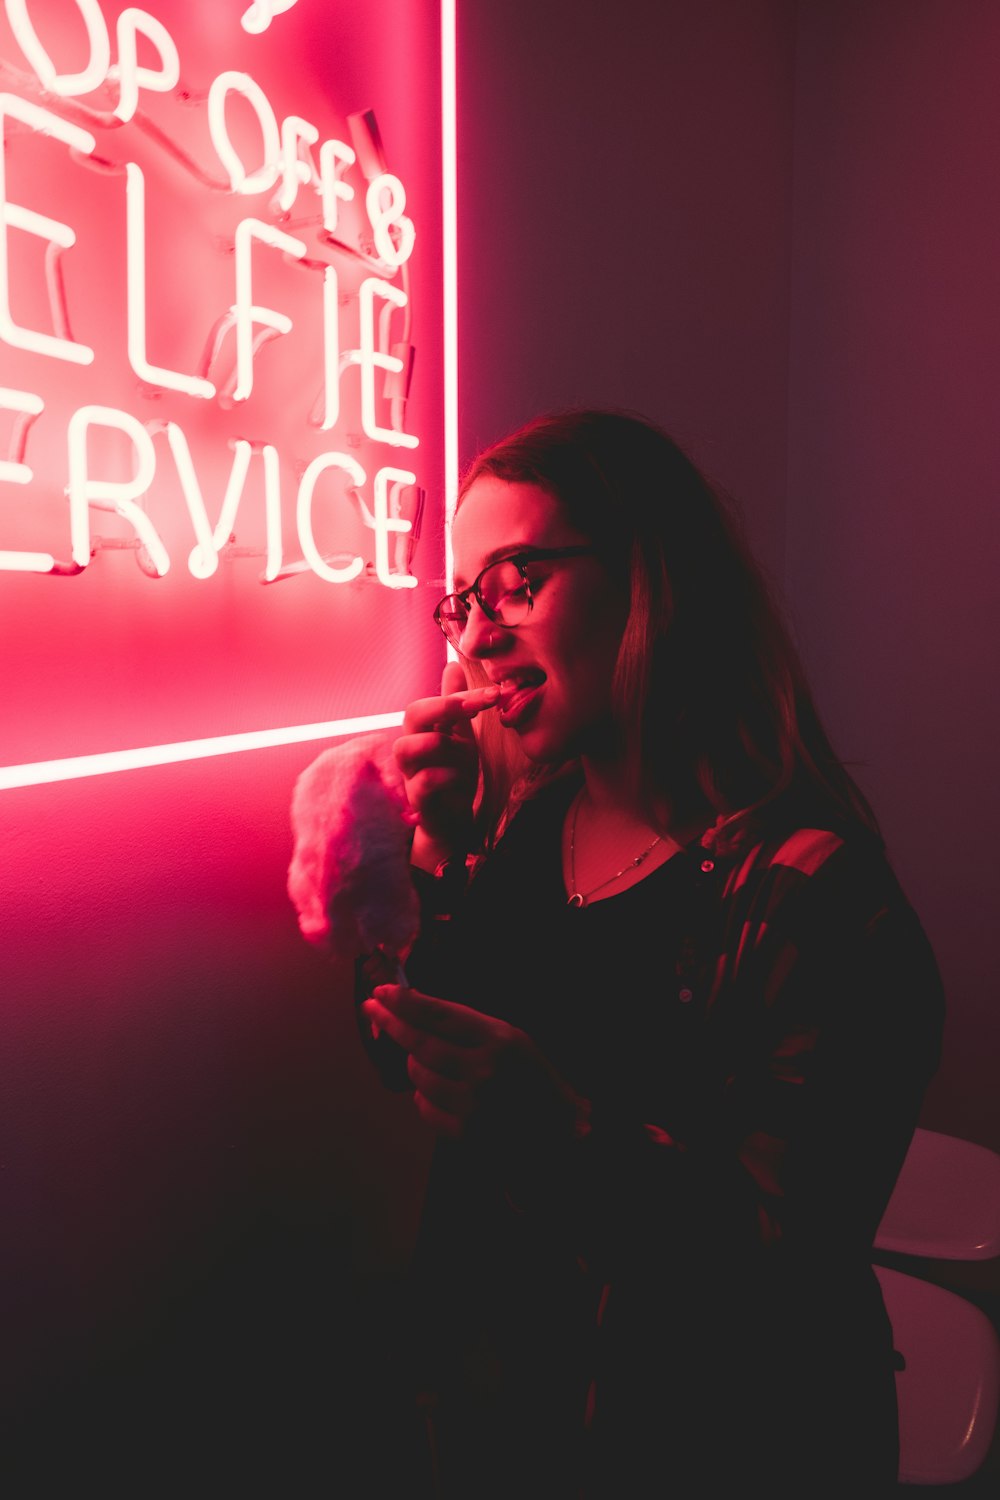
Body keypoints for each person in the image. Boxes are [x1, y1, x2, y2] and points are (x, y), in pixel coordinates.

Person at [356, 407, 945, 1499]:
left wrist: (557, 1132)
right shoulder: (533, 830)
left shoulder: (813, 898)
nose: (473, 637)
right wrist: (432, 853)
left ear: (649, 580)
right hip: (506, 1431)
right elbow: (412, 1064)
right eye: (460, 601)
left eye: (515, 581)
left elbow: (781, 1280)